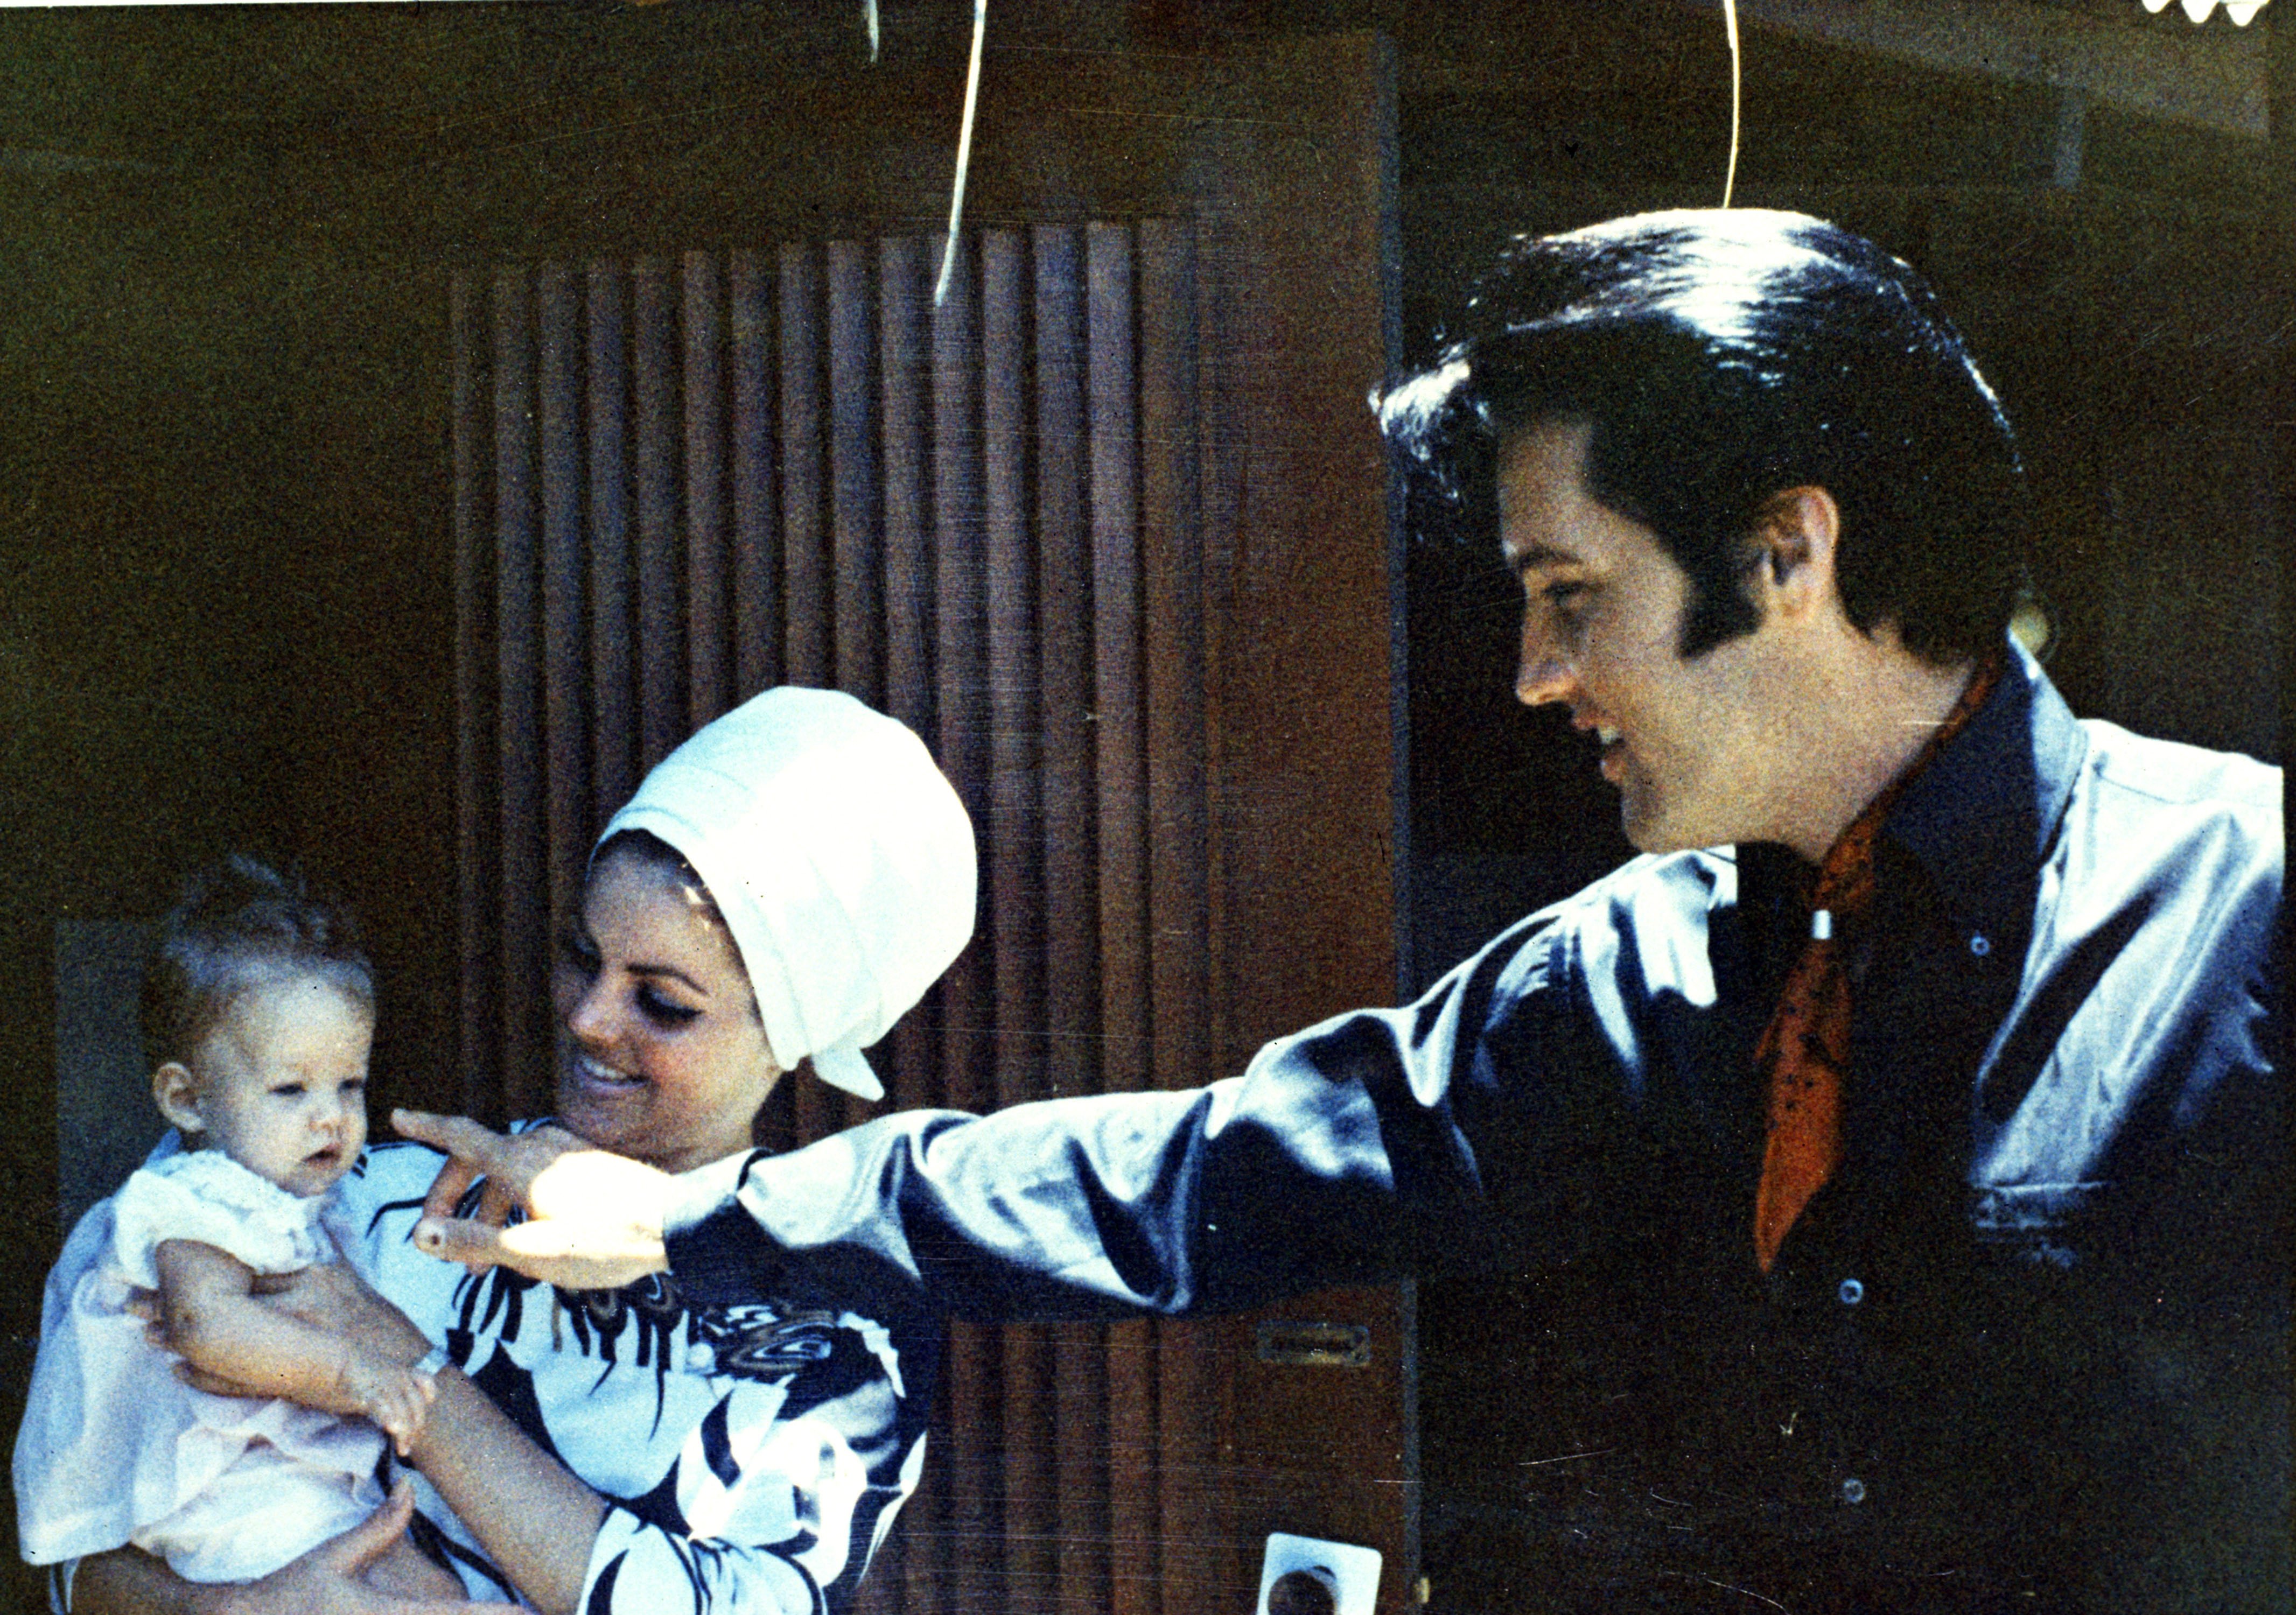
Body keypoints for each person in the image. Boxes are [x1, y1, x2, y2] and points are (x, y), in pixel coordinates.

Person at [451, 210, 2284, 1614]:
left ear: (1784, 556)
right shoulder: (1644, 976)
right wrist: (699, 1218)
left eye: (1570, 594)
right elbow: (1190, 1175)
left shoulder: (2248, 914)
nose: (1533, 676)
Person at [69, 686, 977, 1615]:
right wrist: (224, 1611)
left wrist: (412, 1370)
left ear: (790, 1034)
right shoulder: (356, 1191)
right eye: (582, 957)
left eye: (661, 1002)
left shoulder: (837, 1329)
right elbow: (78, 1528)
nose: (587, 1019)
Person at [17, 856, 460, 1603]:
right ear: (187, 1101)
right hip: (220, 1498)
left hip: (282, 1491)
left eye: (348, 1083)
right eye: (290, 1089)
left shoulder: (288, 1197)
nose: (330, 1116)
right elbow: (203, 1322)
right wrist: (355, 1373)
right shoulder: (194, 1198)